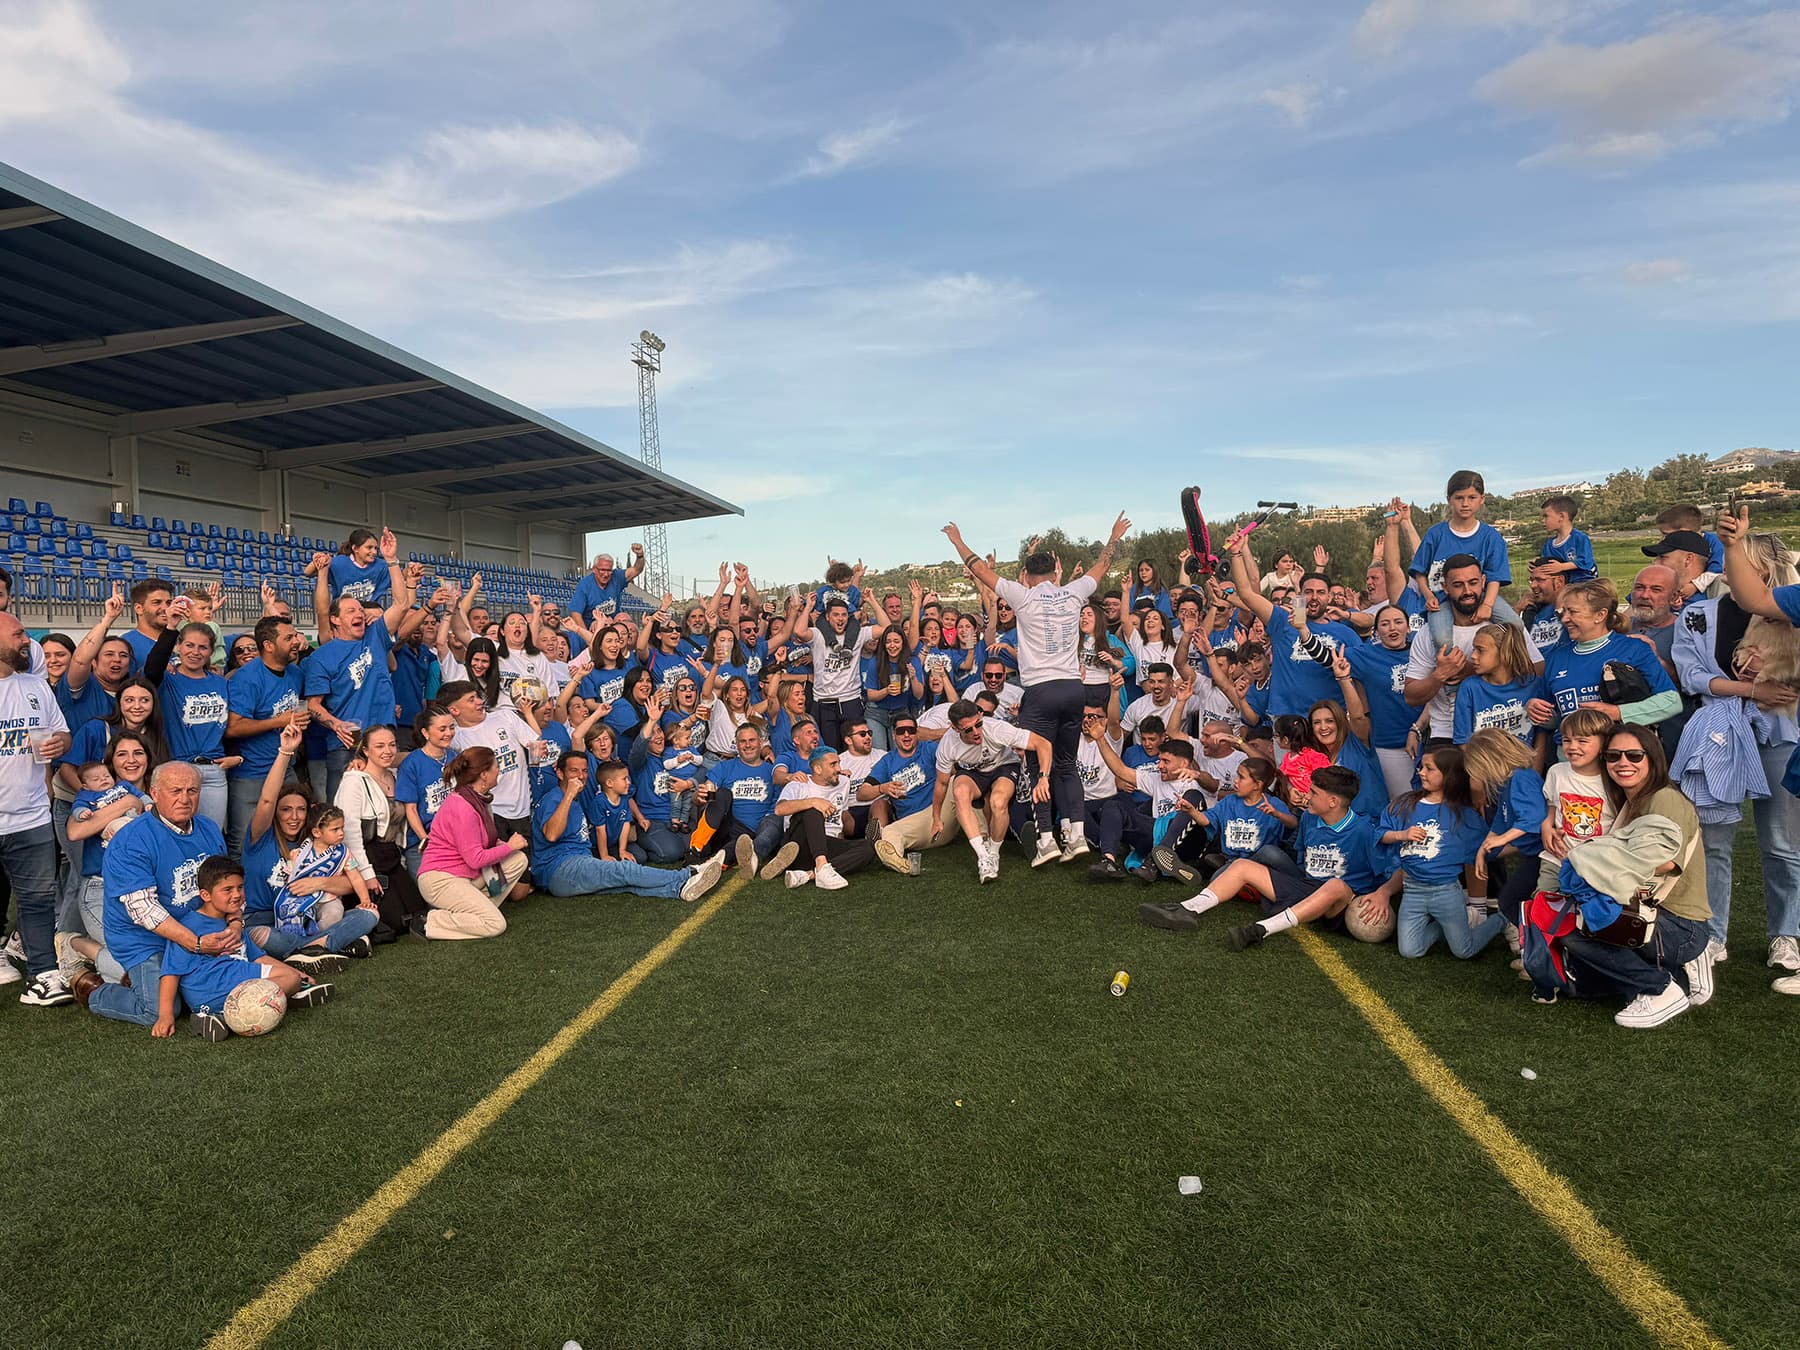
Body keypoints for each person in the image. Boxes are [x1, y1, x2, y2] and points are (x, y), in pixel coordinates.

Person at [943, 512, 1131, 861]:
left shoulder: (1023, 595)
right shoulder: (1073, 593)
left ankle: (1046, 838)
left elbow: (980, 570)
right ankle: (1076, 835)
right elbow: (1102, 566)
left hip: (1041, 691)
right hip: (1075, 689)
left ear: (1027, 575)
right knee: (1066, 763)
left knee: (1033, 763)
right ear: (1054, 573)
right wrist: (1113, 535)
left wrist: (957, 540)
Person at [1689, 519, 1800, 981]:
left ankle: (1787, 933)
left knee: (1782, 842)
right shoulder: (1700, 613)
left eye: (1749, 568)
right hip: (1722, 735)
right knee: (1715, 839)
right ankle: (1714, 934)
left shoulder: (1789, 608)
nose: (1739, 580)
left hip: (1781, 735)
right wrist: (1748, 687)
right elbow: (1691, 675)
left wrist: (1779, 674)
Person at [1138, 765, 1395, 948]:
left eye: (1314, 793)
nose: (1307, 796)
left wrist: (1383, 894)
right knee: (1241, 866)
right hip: (1307, 887)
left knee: (1336, 884)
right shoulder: (1308, 818)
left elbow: (1392, 870)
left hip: (1340, 906)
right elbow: (1303, 858)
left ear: (1333, 802)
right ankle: (1186, 909)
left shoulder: (1363, 830)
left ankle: (1261, 930)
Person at [1555, 727, 1709, 1028]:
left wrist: (1589, 860)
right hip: (1652, 911)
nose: (1622, 762)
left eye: (1634, 755)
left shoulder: (1664, 799)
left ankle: (1660, 988)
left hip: (1679, 923)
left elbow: (1663, 861)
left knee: (1575, 933)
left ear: (1652, 758)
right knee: (1583, 983)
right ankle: (1673, 975)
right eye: (1613, 756)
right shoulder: (1634, 801)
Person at [82, 762, 229, 1025]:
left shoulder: (207, 828)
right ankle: (95, 991)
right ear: (155, 793)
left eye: (192, 790)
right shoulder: (131, 841)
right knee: (160, 1010)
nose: (184, 799)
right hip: (143, 938)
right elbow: (145, 911)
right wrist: (196, 944)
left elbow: (227, 885)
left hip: (195, 927)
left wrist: (235, 924)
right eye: (175, 791)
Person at [152, 856, 332, 1041]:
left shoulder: (233, 923)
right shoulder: (189, 926)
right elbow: (171, 973)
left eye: (240, 887)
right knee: (290, 980)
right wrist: (165, 1015)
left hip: (213, 996)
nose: (237, 894)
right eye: (227, 890)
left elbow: (258, 957)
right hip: (215, 983)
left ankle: (217, 1017)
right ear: (206, 895)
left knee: (291, 976)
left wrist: (297, 971)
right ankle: (281, 999)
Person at [0, 610, 74, 1006]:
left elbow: (61, 733)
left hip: (30, 816)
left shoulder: (36, 686)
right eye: (19, 633)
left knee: (38, 899)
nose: (26, 641)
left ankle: (44, 975)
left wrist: (59, 745)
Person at [533, 752, 724, 901]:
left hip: (577, 862)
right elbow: (551, 835)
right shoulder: (554, 799)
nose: (581, 776)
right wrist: (568, 795)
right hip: (559, 869)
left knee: (625, 883)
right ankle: (689, 874)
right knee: (624, 870)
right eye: (574, 771)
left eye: (584, 771)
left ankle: (679, 890)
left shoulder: (574, 798)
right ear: (559, 773)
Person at [1405, 555, 1543, 745]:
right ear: (1445, 587)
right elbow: (1411, 696)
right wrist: (1440, 675)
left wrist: (1482, 670)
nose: (1467, 591)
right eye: (1458, 585)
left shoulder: (1504, 629)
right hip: (1446, 733)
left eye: (1473, 582)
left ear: (1483, 582)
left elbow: (1538, 671)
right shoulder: (1428, 634)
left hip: (1503, 730)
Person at [1526, 580, 1680, 748]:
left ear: (1600, 615)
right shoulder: (1556, 658)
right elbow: (1555, 719)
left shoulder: (1633, 648)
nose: (1565, 619)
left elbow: (1672, 702)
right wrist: (1536, 711)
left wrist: (1617, 713)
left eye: (1572, 612)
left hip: (1620, 760)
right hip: (1571, 762)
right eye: (1563, 612)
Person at [1381, 746, 1498, 959]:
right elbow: (1380, 834)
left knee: (1464, 951)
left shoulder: (1464, 815)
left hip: (1446, 892)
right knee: (1409, 951)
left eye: (1429, 768)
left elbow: (1485, 849)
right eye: (1421, 767)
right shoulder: (1406, 804)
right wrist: (1402, 835)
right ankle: (1443, 927)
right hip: (1412, 891)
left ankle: (1503, 919)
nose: (1421, 772)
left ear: (1449, 776)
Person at [930, 697, 1057, 880]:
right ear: (955, 728)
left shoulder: (996, 728)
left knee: (998, 802)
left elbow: (1043, 743)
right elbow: (942, 783)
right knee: (959, 792)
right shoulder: (947, 744)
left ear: (981, 716)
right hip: (974, 772)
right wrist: (936, 817)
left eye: (978, 724)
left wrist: (1043, 778)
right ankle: (983, 857)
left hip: (1003, 766)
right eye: (968, 729)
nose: (976, 732)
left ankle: (994, 853)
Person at [415, 748, 531, 940]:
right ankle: (429, 921)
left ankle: (478, 909)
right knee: (496, 925)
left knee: (518, 859)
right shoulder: (463, 806)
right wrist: (509, 846)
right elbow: (475, 859)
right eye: (496, 767)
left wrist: (504, 845)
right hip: (441, 880)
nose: (499, 771)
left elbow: (480, 842)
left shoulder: (477, 798)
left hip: (465, 876)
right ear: (484, 775)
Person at [225, 614, 311, 858]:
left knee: (291, 840)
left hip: (287, 769)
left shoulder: (295, 674)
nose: (295, 641)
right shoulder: (247, 677)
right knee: (244, 844)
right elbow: (233, 727)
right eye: (288, 637)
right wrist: (279, 721)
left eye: (295, 635)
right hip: (251, 775)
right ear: (268, 645)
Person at [335, 724, 426, 942]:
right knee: (395, 922)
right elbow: (350, 835)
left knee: (418, 912)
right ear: (365, 750)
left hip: (391, 856)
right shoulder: (354, 780)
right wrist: (366, 874)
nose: (388, 751)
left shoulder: (396, 775)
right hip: (367, 856)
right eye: (379, 746)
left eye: (392, 745)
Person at [148, 620, 241, 831]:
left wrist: (236, 754)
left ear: (211, 651)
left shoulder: (222, 683)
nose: (195, 652)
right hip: (178, 767)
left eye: (202, 647)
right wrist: (170, 628)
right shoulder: (167, 679)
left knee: (211, 832)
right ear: (178, 646)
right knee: (176, 832)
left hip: (214, 771)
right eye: (189, 645)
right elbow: (152, 668)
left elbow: (230, 723)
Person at [1405, 470, 1520, 638]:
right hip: (1441, 598)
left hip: (1480, 596)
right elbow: (1419, 571)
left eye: (1471, 498)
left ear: (1482, 499)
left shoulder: (1491, 537)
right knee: (1441, 638)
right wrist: (1428, 596)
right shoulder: (1436, 534)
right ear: (1449, 499)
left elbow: (1495, 576)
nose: (1465, 503)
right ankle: (1449, 664)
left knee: (1516, 625)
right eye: (1459, 498)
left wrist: (1487, 605)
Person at [272, 805, 382, 957]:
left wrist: (365, 900)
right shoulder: (299, 853)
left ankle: (315, 945)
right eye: (335, 829)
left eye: (342, 828)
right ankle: (325, 946)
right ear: (317, 832)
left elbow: (355, 877)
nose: (341, 833)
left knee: (335, 915)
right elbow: (290, 880)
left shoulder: (343, 853)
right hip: (302, 900)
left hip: (329, 899)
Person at [441, 679, 540, 840]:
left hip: (523, 810)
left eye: (477, 696)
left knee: (525, 862)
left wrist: (539, 750)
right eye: (471, 700)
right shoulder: (455, 741)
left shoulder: (505, 716)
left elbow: (535, 750)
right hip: (489, 812)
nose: (480, 702)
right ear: (454, 710)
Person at [699, 722, 795, 879]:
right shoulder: (725, 767)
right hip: (726, 826)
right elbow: (709, 790)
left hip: (755, 831)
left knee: (773, 822)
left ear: (761, 742)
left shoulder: (772, 772)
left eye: (752, 740)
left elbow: (777, 803)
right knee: (721, 794)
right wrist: (701, 796)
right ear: (736, 745)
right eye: (742, 741)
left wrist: (766, 824)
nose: (747, 745)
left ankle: (745, 857)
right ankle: (700, 849)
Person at [773, 747, 876, 889]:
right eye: (833, 764)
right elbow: (779, 809)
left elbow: (840, 817)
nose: (839, 768)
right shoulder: (798, 784)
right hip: (799, 844)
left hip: (827, 844)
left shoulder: (844, 783)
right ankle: (821, 865)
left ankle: (809, 875)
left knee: (868, 847)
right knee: (813, 812)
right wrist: (813, 801)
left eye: (839, 763)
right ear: (818, 769)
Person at [862, 714, 951, 874]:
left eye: (911, 730)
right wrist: (883, 788)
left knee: (960, 780)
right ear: (893, 735)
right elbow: (862, 793)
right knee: (889, 830)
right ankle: (895, 859)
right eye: (901, 731)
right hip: (916, 826)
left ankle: (983, 839)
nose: (907, 735)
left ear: (917, 733)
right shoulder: (888, 761)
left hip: (942, 815)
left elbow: (951, 769)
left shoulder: (930, 748)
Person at [1452, 624, 1545, 748]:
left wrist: (1535, 768)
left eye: (1480, 650)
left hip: (1524, 765)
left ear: (1504, 651)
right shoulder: (1470, 687)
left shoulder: (1534, 684)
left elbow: (1542, 735)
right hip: (1481, 765)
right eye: (1474, 649)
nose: (1473, 656)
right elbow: (1463, 742)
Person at [396, 705, 456, 873]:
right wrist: (425, 839)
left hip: (454, 837)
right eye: (442, 729)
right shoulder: (412, 763)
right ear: (425, 733)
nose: (449, 733)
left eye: (452, 727)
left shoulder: (454, 757)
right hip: (423, 842)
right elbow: (411, 809)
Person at [1533, 495, 1597, 585]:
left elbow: (1586, 562)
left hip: (1584, 587)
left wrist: (1562, 567)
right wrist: (1537, 566)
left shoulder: (1580, 538)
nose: (1542, 521)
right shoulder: (1548, 545)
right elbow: (1548, 566)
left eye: (1546, 516)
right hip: (1562, 588)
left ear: (1561, 516)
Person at [571, 545, 646, 621]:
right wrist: (586, 632)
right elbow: (575, 614)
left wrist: (640, 556)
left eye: (609, 570)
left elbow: (636, 569)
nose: (606, 574)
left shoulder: (617, 577)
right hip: (591, 627)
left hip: (611, 627)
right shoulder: (585, 585)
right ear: (594, 569)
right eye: (602, 570)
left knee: (624, 617)